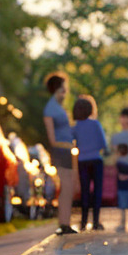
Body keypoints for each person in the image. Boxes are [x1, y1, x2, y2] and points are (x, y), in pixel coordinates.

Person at [42, 72, 77, 234]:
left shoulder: (59, 107)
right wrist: (68, 146)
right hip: (61, 151)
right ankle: (63, 223)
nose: (67, 90)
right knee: (66, 186)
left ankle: (66, 222)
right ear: (59, 87)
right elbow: (52, 138)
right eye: (64, 86)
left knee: (69, 187)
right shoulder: (50, 108)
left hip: (67, 150)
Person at [72, 95, 107, 231]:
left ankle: (84, 221)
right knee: (97, 191)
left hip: (83, 161)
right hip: (96, 160)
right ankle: (96, 221)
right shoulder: (95, 124)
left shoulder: (76, 127)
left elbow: (70, 139)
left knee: (85, 191)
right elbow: (103, 143)